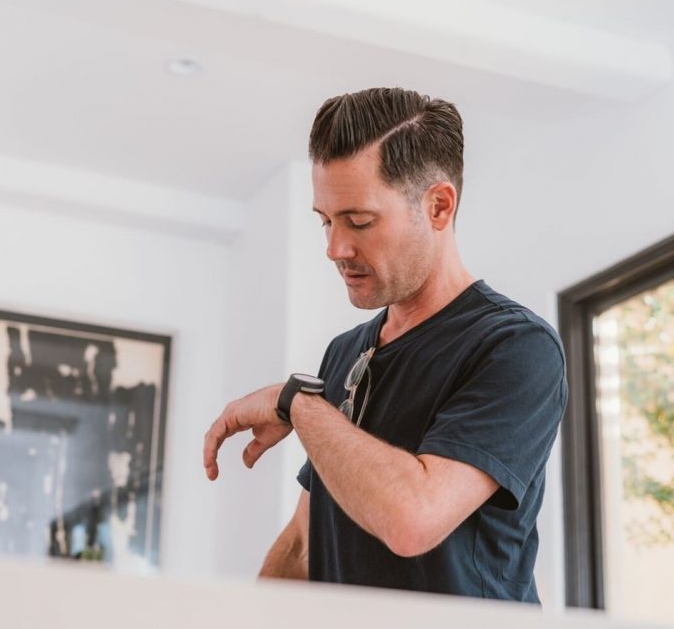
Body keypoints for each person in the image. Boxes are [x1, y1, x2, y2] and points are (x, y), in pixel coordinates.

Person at [203, 87, 567, 603]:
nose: (335, 248)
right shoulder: (344, 353)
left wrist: (297, 405)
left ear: (438, 206)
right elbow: (306, 542)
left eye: (360, 221)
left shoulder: (515, 346)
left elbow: (412, 520)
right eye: (325, 221)